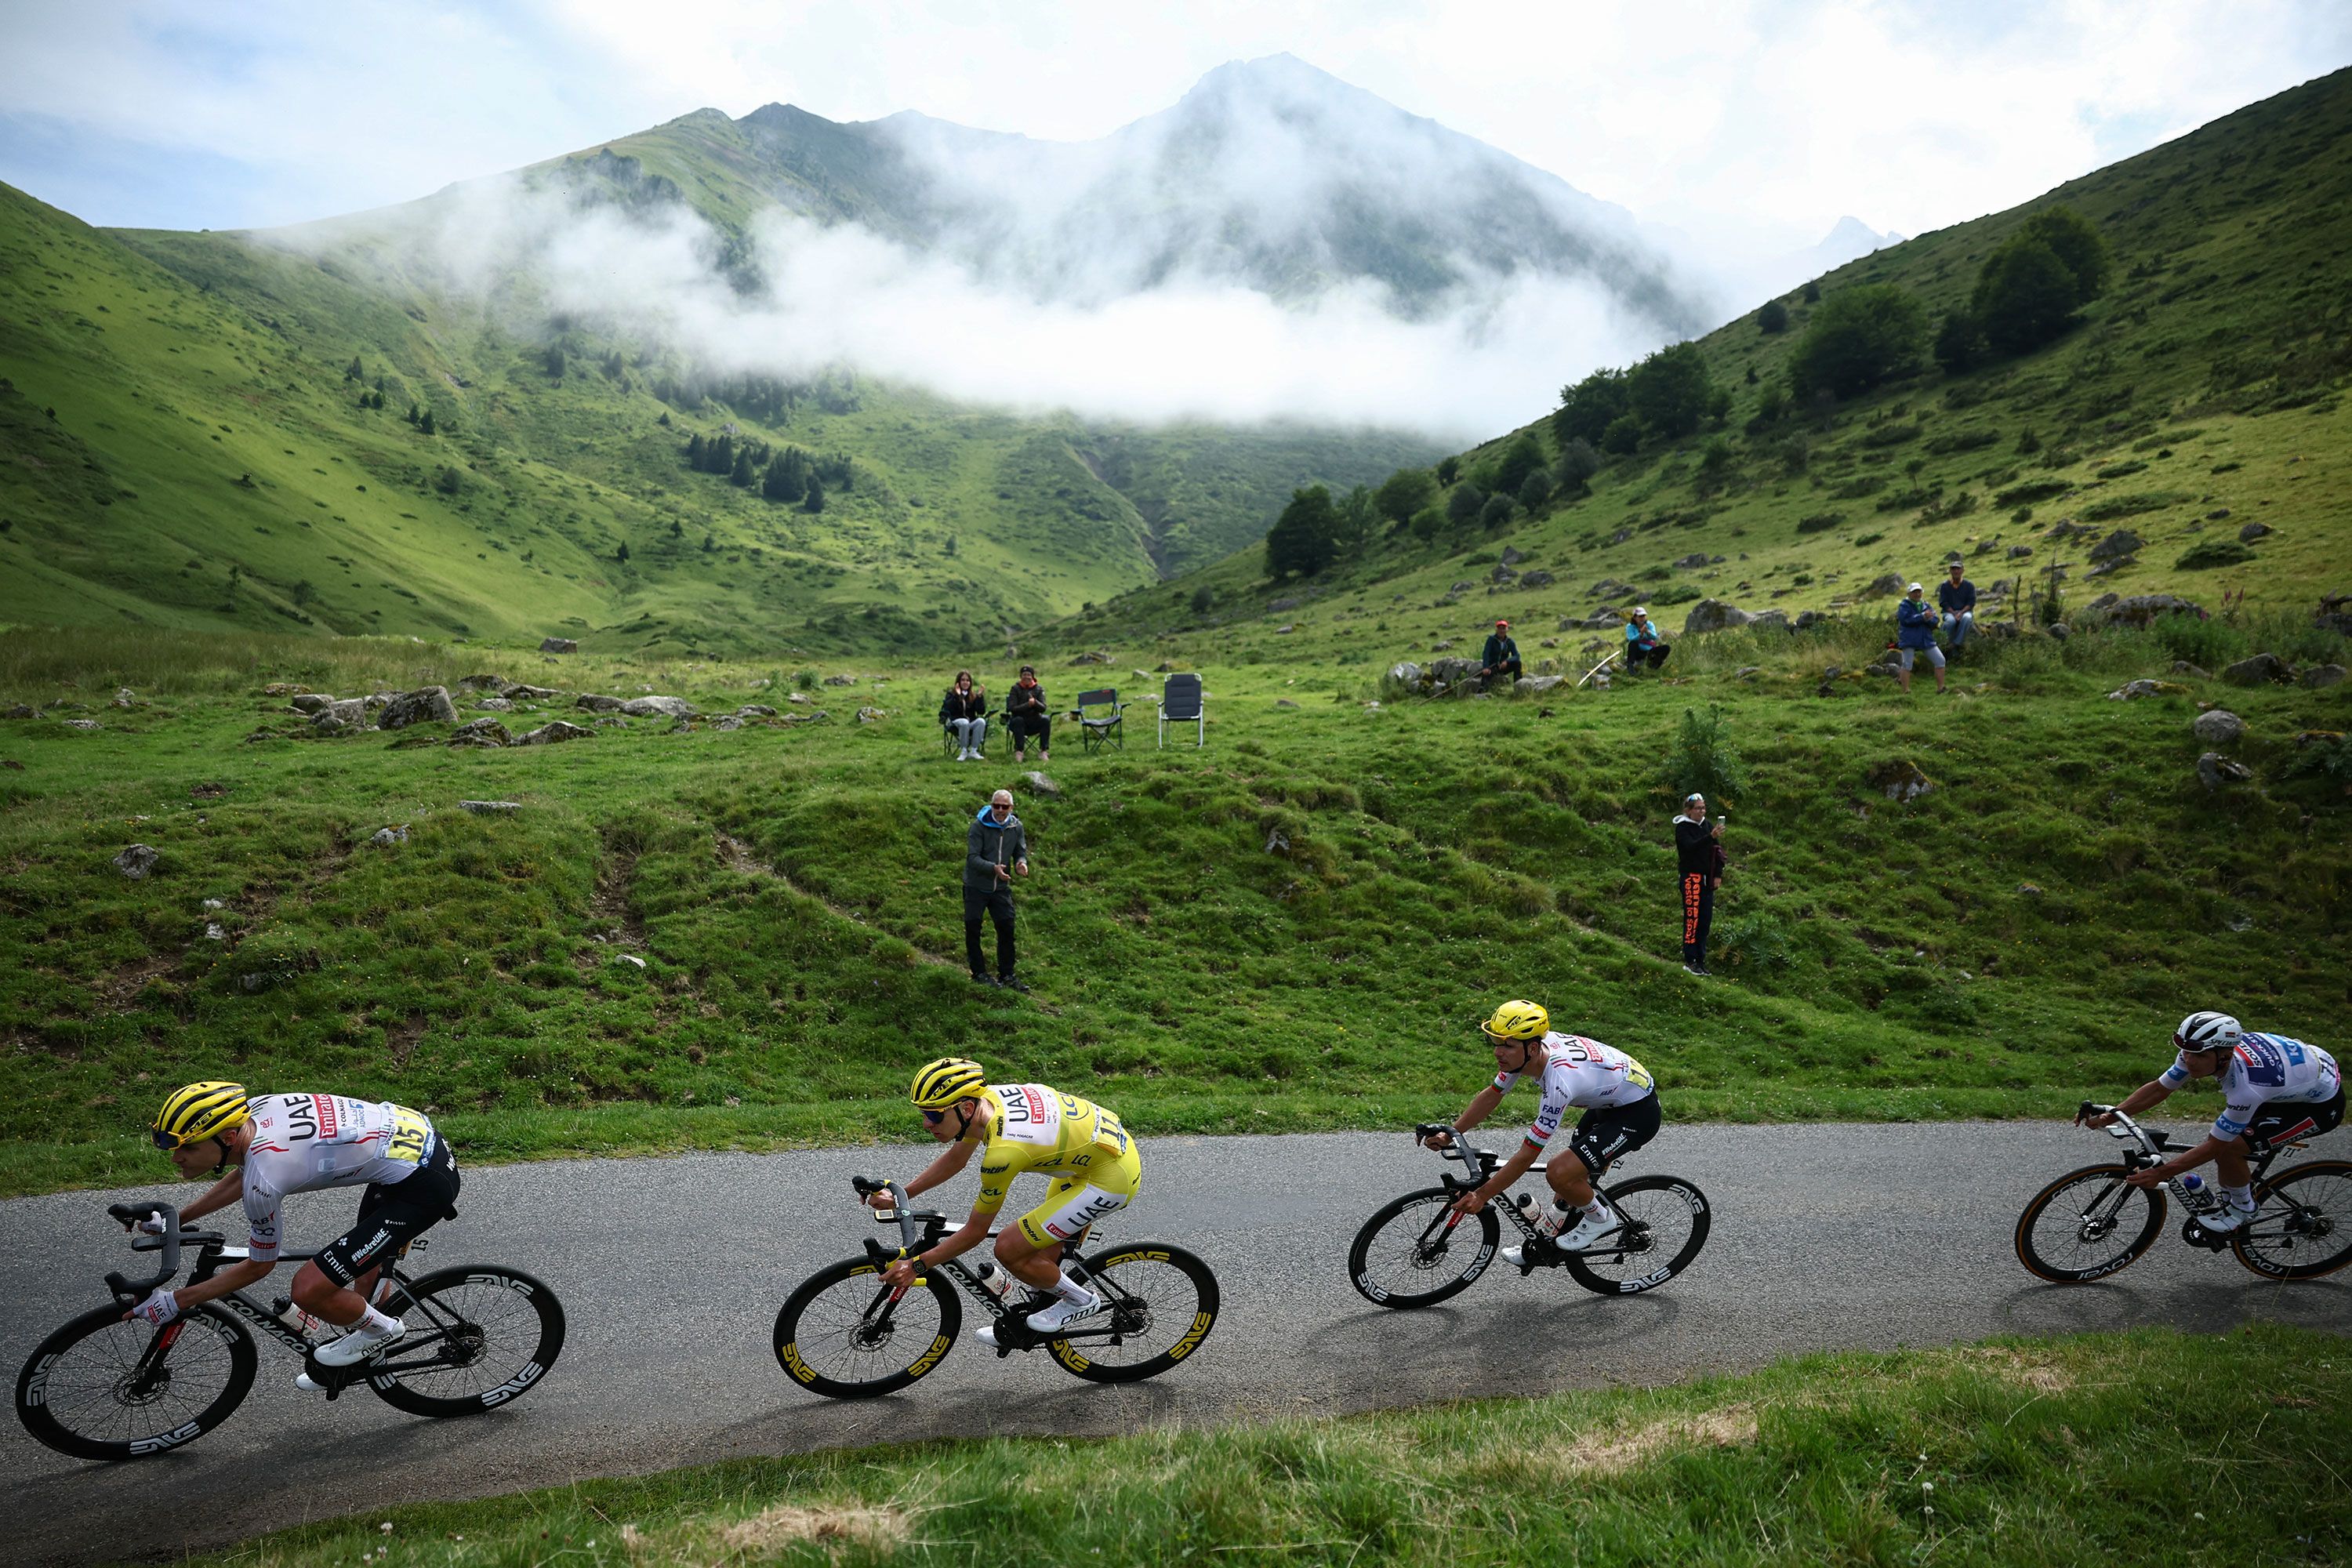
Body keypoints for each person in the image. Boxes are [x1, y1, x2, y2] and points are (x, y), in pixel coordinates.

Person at [136, 1082, 459, 1381]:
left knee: (308, 1289)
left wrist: (179, 1300)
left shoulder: (267, 1176)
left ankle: (383, 1330)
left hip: (422, 1183)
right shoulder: (256, 1112)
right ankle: (366, 1344)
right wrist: (176, 1218)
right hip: (409, 1145)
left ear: (229, 1137)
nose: (176, 1158)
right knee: (364, 1274)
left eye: (188, 1148)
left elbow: (260, 1265)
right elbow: (246, 1171)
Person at [876, 1058, 1142, 1345]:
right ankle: (1028, 1319)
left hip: (1109, 1179)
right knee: (1037, 1256)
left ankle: (1080, 1300)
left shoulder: (1003, 1152)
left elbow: (975, 1232)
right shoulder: (983, 1103)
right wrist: (902, 1193)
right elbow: (957, 1157)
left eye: (935, 1115)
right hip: (1091, 1159)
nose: (927, 1123)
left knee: (1010, 1248)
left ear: (965, 1108)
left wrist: (917, 1265)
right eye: (923, 1114)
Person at [1421, 1001, 1661, 1267]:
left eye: (1508, 1045)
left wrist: (1482, 1195)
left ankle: (1601, 1219)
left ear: (1532, 1048)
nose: (1498, 1052)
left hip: (1637, 1113)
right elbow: (1493, 1094)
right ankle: (1543, 1246)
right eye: (1496, 1042)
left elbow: (1526, 1156)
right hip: (1610, 1102)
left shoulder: (1559, 1082)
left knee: (1560, 1172)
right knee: (1569, 1182)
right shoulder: (1524, 1056)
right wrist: (1451, 1132)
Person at [2089, 1011, 2341, 1232]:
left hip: (2319, 1105)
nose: (2189, 1060)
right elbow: (2159, 1089)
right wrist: (2112, 1114)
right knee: (2233, 1140)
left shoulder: (2247, 1088)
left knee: (2231, 1149)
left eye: (2198, 1055)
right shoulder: (2199, 1050)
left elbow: (2215, 1146)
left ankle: (2243, 1209)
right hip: (2295, 1076)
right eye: (2186, 1051)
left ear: (2224, 1056)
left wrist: (2161, 1173)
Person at [964, 787, 1030, 991]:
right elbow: (972, 858)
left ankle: (1007, 974)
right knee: (974, 929)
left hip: (1000, 888)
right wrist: (993, 868)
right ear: (991, 805)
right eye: (996, 806)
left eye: (1005, 807)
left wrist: (1021, 863)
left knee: (1007, 928)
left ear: (1011, 808)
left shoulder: (1016, 827)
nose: (1000, 810)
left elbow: (1021, 851)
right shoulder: (978, 826)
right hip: (976, 886)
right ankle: (979, 973)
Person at [1672, 793, 1723, 976]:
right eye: (1698, 808)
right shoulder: (1683, 828)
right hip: (1691, 878)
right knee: (1692, 919)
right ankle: (1690, 960)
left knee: (1705, 920)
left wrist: (1718, 874)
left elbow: (1718, 851)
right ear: (1689, 810)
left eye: (1703, 808)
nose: (1702, 811)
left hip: (1706, 880)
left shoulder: (1707, 826)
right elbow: (1690, 847)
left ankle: (1701, 960)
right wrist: (1710, 837)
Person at [1895, 583, 1947, 695]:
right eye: (1914, 592)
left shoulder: (1926, 605)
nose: (1917, 594)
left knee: (1940, 660)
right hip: (1909, 639)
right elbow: (1905, 620)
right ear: (1909, 594)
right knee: (1907, 665)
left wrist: (1929, 619)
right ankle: (1905, 690)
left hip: (1926, 639)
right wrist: (1922, 617)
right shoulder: (1904, 605)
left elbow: (1936, 620)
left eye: (1919, 591)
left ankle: (1941, 688)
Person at [1005, 665, 1051, 764]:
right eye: (1024, 674)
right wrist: (1028, 705)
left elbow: (1043, 708)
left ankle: (1043, 751)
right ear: (1021, 676)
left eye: (1029, 675)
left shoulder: (1039, 689)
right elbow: (1012, 708)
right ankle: (1019, 751)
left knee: (1046, 720)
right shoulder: (1015, 688)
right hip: (1018, 722)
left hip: (1034, 721)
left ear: (1033, 677)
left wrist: (1035, 703)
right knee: (1018, 721)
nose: (1026, 677)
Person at [939, 670, 989, 760]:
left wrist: (979, 697)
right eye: (963, 680)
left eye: (967, 680)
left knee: (981, 721)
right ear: (958, 682)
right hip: (956, 722)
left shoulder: (972, 695)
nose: (965, 682)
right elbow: (949, 708)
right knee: (964, 722)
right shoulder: (951, 694)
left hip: (970, 722)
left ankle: (974, 751)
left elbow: (981, 712)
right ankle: (964, 751)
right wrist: (958, 696)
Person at [1937, 562, 1977, 652]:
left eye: (1958, 569)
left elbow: (1971, 602)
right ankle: (1944, 644)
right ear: (1950, 571)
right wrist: (1953, 613)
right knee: (1951, 621)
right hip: (1949, 612)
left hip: (1965, 611)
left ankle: (1956, 643)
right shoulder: (1945, 586)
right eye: (1953, 569)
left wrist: (1961, 612)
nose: (1956, 571)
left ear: (1963, 570)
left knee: (1967, 618)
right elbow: (1943, 602)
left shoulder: (1969, 585)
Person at [1624, 608, 1670, 673]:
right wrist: (1641, 634)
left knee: (1666, 648)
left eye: (1643, 616)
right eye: (1640, 616)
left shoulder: (1650, 624)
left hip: (1649, 651)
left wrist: (1648, 632)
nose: (1642, 618)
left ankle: (1654, 666)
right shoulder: (1630, 627)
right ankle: (1630, 667)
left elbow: (1655, 637)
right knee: (1633, 644)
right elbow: (1631, 638)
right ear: (1635, 617)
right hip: (1638, 651)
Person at [1479, 620, 1523, 689]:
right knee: (1485, 680)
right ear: (1496, 630)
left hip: (1503, 666)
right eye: (1499, 628)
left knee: (1518, 664)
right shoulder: (1491, 639)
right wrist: (1486, 667)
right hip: (1492, 666)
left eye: (1503, 628)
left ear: (1507, 630)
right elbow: (1486, 653)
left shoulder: (1510, 642)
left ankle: (1518, 686)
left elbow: (1517, 656)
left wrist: (1507, 661)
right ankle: (1482, 691)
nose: (1501, 631)